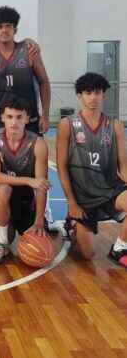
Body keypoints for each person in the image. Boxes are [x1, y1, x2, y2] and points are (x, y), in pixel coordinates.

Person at [56, 72, 127, 267]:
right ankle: (72, 224)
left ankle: (120, 247)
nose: (93, 97)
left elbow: (124, 164)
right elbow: (61, 167)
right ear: (79, 96)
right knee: (87, 255)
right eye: (88, 93)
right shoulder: (67, 125)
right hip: (82, 198)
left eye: (97, 92)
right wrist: (71, 202)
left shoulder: (115, 126)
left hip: (109, 190)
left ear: (103, 94)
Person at [0, 96, 50, 264]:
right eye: (10, 117)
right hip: (0, 192)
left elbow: (41, 185)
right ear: (2, 118)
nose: (14, 122)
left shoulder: (38, 143)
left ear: (27, 118)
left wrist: (39, 221)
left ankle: (27, 223)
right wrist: (28, 180)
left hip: (25, 199)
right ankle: (2, 243)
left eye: (19, 117)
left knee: (40, 244)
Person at [0, 6, 51, 135]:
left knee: (33, 154)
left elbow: (44, 82)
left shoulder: (29, 51)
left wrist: (45, 115)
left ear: (15, 30)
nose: (4, 30)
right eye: (0, 27)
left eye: (8, 26)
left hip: (28, 119)